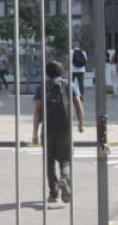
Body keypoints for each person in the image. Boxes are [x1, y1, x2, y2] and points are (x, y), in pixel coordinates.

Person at [30, 60, 84, 204]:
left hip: (48, 127)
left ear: (46, 72)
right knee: (65, 159)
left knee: (49, 162)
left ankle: (53, 193)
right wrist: (80, 124)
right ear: (62, 71)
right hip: (65, 127)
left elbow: (37, 111)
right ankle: (64, 178)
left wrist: (35, 133)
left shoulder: (41, 88)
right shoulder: (69, 85)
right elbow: (79, 106)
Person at [70, 44, 90, 118]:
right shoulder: (83, 52)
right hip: (81, 70)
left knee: (71, 83)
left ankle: (71, 95)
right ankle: (81, 96)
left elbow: (69, 60)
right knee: (81, 84)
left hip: (72, 70)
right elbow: (85, 60)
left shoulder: (71, 52)